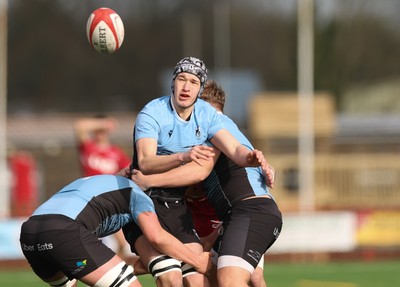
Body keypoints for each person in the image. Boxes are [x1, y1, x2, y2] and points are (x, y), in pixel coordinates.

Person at [129, 56, 272, 287]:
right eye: (182, 79)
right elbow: (143, 162)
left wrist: (251, 157)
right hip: (174, 206)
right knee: (187, 277)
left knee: (241, 277)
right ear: (173, 82)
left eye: (193, 82)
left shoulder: (211, 125)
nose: (186, 86)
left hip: (244, 212)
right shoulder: (154, 112)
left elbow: (224, 157)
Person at [19, 174, 212, 287]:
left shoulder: (99, 181)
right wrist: (198, 261)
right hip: (64, 232)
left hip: (29, 233)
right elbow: (157, 237)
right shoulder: (138, 194)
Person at [74, 115, 132, 259]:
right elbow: (79, 126)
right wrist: (104, 123)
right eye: (98, 130)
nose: (100, 133)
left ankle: (115, 270)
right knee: (87, 240)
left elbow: (129, 171)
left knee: (122, 243)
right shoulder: (88, 147)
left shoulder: (116, 152)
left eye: (103, 130)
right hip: (88, 197)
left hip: (108, 199)